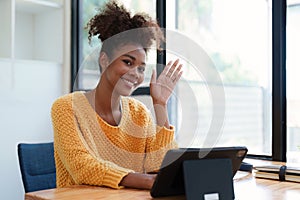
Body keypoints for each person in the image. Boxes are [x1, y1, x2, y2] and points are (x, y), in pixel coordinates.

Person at [51, 0, 182, 190]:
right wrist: (147, 181)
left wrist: (160, 104)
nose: (136, 74)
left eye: (141, 68)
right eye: (128, 62)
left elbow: (161, 166)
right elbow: (82, 166)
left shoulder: (139, 113)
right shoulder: (66, 107)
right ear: (104, 60)